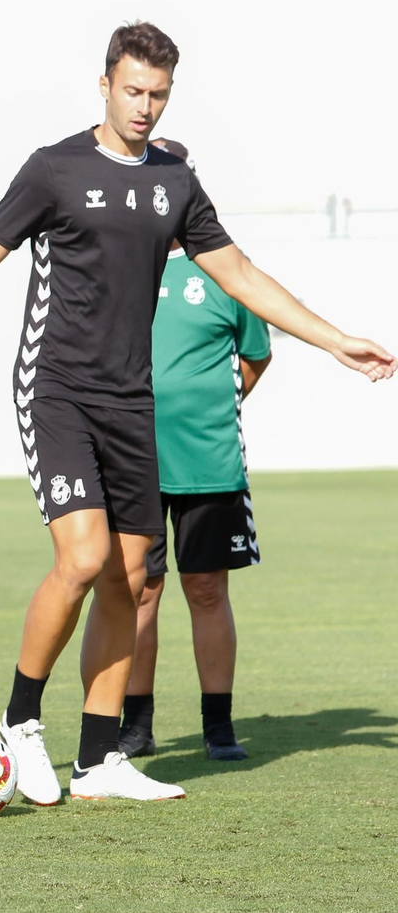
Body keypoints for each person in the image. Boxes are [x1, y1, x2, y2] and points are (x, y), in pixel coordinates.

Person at [0, 22, 392, 804]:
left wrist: (334, 341)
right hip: (56, 388)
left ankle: (99, 762)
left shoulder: (174, 182)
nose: (145, 107)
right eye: (133, 90)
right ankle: (20, 720)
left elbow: (241, 274)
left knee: (131, 575)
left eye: (158, 95)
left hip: (133, 402)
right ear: (104, 85)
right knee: (85, 558)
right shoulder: (53, 169)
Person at [119, 139, 270, 763]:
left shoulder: (225, 269)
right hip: (132, 460)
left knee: (206, 590)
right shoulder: (122, 263)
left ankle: (218, 726)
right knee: (138, 591)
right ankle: (135, 724)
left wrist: (210, 406)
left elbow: (255, 355)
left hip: (209, 461)